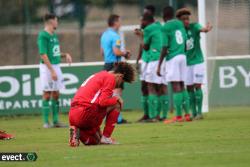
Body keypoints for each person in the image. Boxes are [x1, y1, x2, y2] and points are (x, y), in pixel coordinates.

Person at [68, 62, 135, 146]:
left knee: (96, 141)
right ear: (120, 76)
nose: (120, 84)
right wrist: (116, 98)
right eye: (122, 81)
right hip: (85, 113)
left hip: (73, 115)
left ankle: (75, 131)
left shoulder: (100, 75)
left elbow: (96, 101)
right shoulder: (111, 78)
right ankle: (106, 137)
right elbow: (102, 102)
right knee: (117, 104)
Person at [176, 8, 212, 119]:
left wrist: (205, 29)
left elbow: (202, 29)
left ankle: (200, 113)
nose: (186, 21)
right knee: (189, 88)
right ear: (179, 20)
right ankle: (194, 112)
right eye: (183, 19)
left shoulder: (194, 26)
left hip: (197, 61)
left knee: (197, 86)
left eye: (187, 19)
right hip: (186, 63)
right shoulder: (178, 32)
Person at [157, 6, 191, 124]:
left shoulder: (165, 27)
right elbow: (186, 42)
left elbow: (164, 47)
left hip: (173, 58)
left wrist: (159, 65)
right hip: (183, 56)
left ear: (164, 16)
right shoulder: (180, 24)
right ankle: (187, 114)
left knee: (176, 86)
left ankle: (178, 116)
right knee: (182, 85)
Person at [37, 13, 72, 128]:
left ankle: (56, 121)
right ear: (51, 22)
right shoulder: (43, 35)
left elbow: (54, 53)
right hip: (47, 67)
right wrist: (51, 71)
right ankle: (46, 122)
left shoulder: (54, 35)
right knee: (47, 94)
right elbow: (43, 54)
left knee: (56, 94)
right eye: (56, 21)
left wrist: (65, 54)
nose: (57, 23)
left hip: (56, 66)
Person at [135, 14, 168, 122]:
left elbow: (145, 46)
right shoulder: (159, 26)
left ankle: (153, 116)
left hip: (153, 59)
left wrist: (141, 36)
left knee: (150, 86)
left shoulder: (148, 29)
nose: (140, 23)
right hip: (162, 59)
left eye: (141, 20)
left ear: (146, 21)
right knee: (160, 87)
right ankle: (160, 115)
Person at [100, 14, 131, 124]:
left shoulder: (104, 35)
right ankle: (117, 118)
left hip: (107, 64)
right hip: (115, 65)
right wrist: (125, 53)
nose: (120, 23)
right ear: (115, 22)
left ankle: (106, 116)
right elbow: (116, 52)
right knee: (117, 92)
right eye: (119, 21)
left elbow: (102, 52)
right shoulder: (115, 36)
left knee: (108, 92)